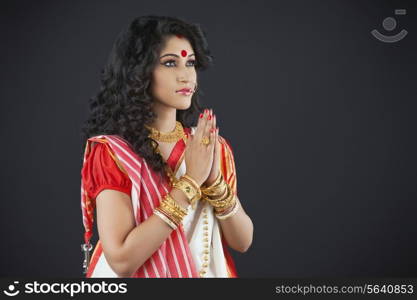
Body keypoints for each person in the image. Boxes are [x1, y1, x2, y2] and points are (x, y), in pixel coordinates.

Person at [80, 15, 253, 278]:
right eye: (170, 63)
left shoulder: (208, 145)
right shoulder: (113, 153)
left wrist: (215, 183)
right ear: (139, 72)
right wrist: (190, 182)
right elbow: (122, 261)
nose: (186, 76)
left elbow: (242, 241)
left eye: (191, 63)